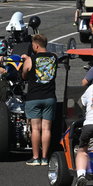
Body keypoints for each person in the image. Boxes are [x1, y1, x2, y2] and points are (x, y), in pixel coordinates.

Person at [21, 34, 58, 166]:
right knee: (46, 129)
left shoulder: (31, 59)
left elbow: (24, 75)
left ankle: (36, 158)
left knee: (35, 128)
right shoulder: (54, 57)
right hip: (49, 97)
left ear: (36, 45)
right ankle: (45, 157)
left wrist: (26, 60)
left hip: (34, 97)